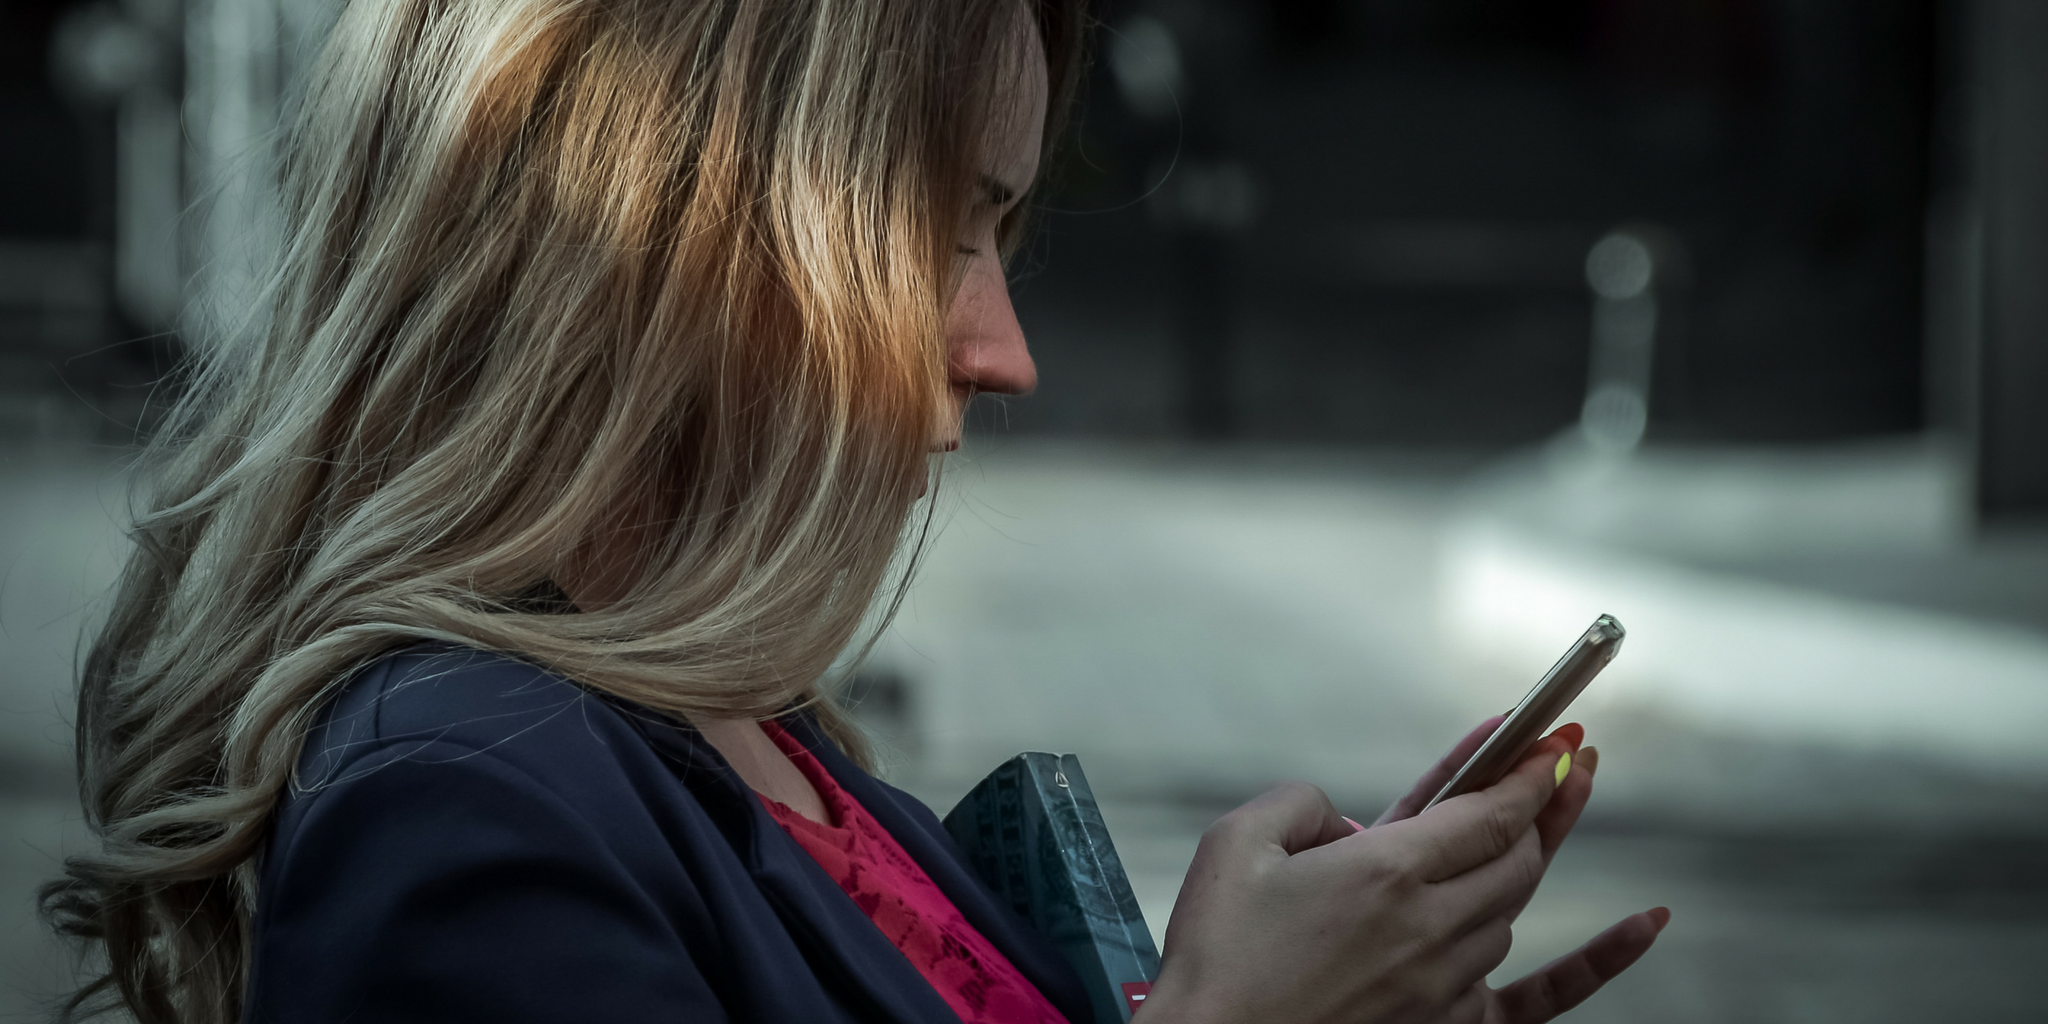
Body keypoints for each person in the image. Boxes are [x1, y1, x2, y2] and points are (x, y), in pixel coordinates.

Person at [42, 0, 1667, 1021]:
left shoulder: (750, 739)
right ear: (656, 230)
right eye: (940, 232)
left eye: (1003, 238)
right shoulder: (463, 796)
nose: (1004, 354)